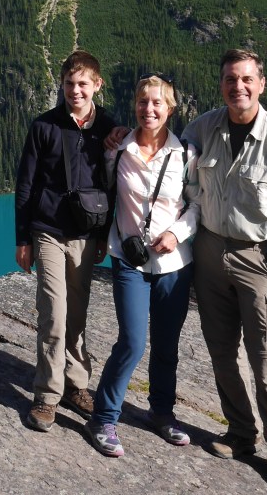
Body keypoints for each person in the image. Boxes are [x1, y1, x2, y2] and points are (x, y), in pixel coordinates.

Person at [181, 49, 267, 493]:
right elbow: (169, 164)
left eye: (245, 79)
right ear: (220, 84)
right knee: (221, 353)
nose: (236, 87)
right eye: (228, 79)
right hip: (209, 252)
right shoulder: (203, 127)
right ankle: (241, 433)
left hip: (258, 258)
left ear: (260, 84)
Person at [85, 72, 199, 459]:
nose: (148, 109)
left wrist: (177, 233)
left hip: (173, 263)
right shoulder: (119, 148)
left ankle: (162, 413)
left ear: (170, 108)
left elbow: (197, 204)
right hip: (129, 260)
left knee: (167, 345)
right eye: (142, 102)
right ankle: (103, 417)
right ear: (134, 105)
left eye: (157, 103)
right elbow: (102, 190)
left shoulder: (186, 155)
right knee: (132, 342)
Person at [15, 50, 116, 433]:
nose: (76, 90)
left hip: (87, 235)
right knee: (54, 313)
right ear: (62, 84)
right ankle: (46, 394)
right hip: (48, 231)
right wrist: (23, 237)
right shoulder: (44, 126)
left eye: (83, 84)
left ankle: (77, 385)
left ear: (97, 85)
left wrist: (104, 235)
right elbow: (25, 185)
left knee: (77, 314)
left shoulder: (108, 129)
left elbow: (114, 184)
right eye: (70, 84)